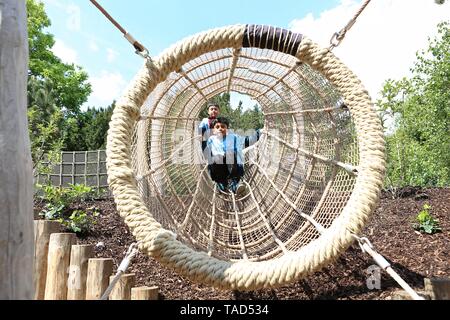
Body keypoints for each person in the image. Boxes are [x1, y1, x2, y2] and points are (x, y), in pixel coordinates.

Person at [205, 116, 261, 195]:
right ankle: (221, 183)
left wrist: (259, 132)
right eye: (217, 127)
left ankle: (234, 185)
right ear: (213, 130)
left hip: (233, 166)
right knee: (216, 158)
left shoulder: (233, 137)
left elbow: (247, 141)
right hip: (219, 168)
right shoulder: (211, 140)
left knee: (230, 154)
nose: (220, 129)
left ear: (227, 129)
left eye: (223, 127)